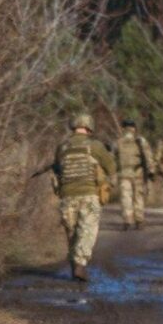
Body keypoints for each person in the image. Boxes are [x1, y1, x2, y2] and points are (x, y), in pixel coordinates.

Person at [52, 113, 116, 282]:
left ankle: (75, 264)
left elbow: (57, 169)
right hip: (89, 195)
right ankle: (80, 263)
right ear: (89, 127)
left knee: (72, 232)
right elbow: (111, 167)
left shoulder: (62, 147)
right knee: (87, 231)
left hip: (67, 196)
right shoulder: (95, 146)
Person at [113, 119, 156, 230]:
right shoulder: (141, 141)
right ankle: (139, 220)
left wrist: (112, 175)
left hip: (123, 174)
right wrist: (151, 171)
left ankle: (127, 219)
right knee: (138, 197)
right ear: (134, 129)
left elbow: (112, 158)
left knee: (125, 197)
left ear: (123, 128)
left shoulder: (118, 142)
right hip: (138, 173)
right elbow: (148, 156)